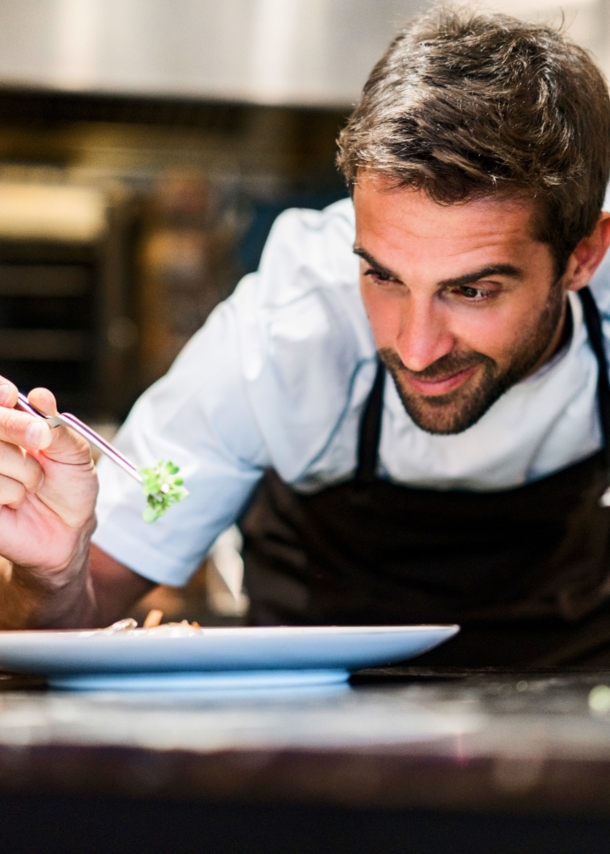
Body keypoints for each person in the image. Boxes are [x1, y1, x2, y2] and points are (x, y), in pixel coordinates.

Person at [1, 7, 610, 667]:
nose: (415, 347)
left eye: (472, 290)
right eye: (383, 277)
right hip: (306, 742)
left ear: (583, 257)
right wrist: (54, 570)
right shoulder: (281, 333)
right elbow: (70, 615)